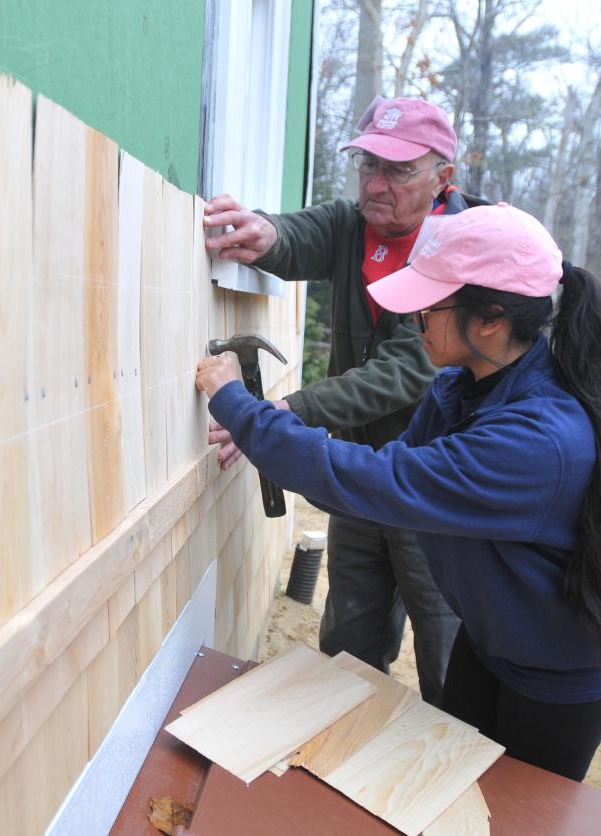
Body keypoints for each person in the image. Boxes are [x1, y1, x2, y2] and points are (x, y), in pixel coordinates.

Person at [194, 204, 601, 782]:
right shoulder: (464, 384)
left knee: (515, 816)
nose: (416, 320)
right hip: (491, 646)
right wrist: (266, 435)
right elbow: (380, 482)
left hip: (557, 679)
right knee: (452, 783)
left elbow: (381, 482)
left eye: (431, 306)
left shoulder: (537, 440)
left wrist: (239, 405)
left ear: (491, 319)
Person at [202, 96, 483, 704]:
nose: (376, 184)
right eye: (367, 166)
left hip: (433, 482)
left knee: (448, 644)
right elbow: (303, 234)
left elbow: (409, 370)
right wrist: (263, 231)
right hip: (359, 472)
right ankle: (339, 753)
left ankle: (460, 769)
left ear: (443, 178)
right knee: (351, 633)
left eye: (399, 170)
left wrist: (286, 414)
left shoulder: (464, 246)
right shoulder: (357, 224)